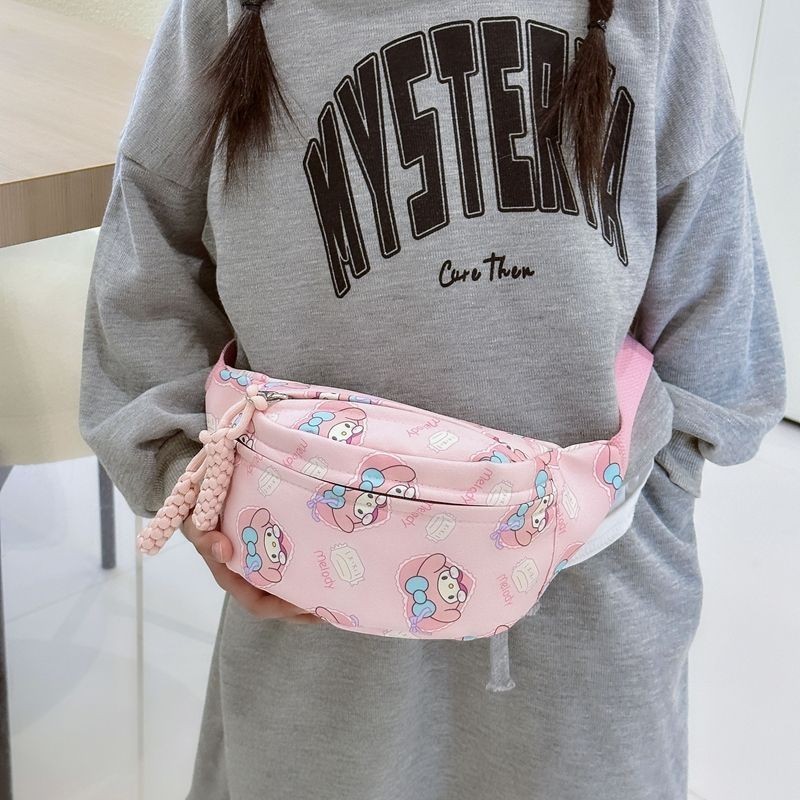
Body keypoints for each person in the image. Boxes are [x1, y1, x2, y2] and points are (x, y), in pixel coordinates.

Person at [78, 0, 787, 797]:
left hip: (588, 629)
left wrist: (651, 506)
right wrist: (197, 486)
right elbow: (148, 258)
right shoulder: (228, 13)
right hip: (315, 629)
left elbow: (714, 304)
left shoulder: (651, 13)